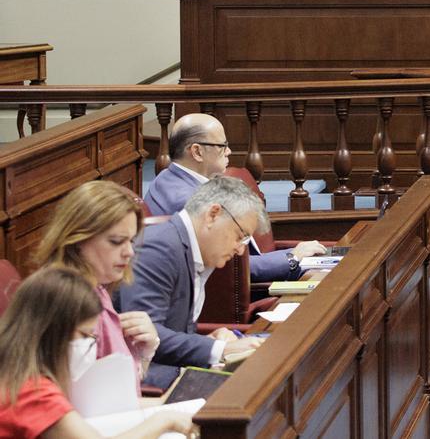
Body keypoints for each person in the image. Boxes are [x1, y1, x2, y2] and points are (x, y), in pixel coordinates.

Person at [0, 266, 195, 438]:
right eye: (85, 335)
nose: (90, 345)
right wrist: (163, 420)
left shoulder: (22, 375)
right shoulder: (33, 392)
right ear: (52, 331)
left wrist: (165, 405)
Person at [120, 177, 270, 389]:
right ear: (213, 214)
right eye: (240, 236)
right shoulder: (159, 248)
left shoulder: (188, 247)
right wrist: (217, 349)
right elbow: (144, 333)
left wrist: (208, 339)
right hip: (145, 383)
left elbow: (171, 327)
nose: (240, 249)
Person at [144, 113, 327, 281]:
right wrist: (292, 257)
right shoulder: (189, 202)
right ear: (197, 151)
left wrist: (294, 253)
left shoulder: (168, 178)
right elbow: (231, 267)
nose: (229, 151)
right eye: (222, 146)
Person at [35, 182, 160, 391]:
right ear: (77, 238)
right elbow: (81, 406)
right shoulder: (68, 302)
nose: (129, 252)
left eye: (130, 241)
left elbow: (119, 391)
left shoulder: (98, 288)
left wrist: (144, 352)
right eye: (116, 241)